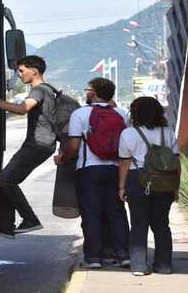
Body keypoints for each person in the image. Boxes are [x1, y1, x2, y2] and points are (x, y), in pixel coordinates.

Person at [54, 77, 130, 268]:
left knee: (91, 214)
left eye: (88, 89)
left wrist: (62, 158)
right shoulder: (121, 113)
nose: (87, 92)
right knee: (116, 213)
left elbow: (73, 145)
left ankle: (94, 258)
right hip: (116, 169)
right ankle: (121, 254)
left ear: (93, 93)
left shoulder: (80, 114)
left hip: (89, 170)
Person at [118, 96, 179, 276]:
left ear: (134, 113)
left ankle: (139, 266)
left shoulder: (128, 133)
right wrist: (175, 187)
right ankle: (164, 265)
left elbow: (124, 163)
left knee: (138, 224)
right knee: (162, 224)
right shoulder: (167, 132)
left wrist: (121, 187)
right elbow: (176, 162)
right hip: (165, 181)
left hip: (138, 179)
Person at [0, 55, 56, 236]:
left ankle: (30, 219)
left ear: (34, 71)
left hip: (37, 145)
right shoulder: (48, 90)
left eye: (22, 71)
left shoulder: (39, 90)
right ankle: (6, 226)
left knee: (6, 179)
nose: (19, 74)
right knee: (5, 179)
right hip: (41, 144)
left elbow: (23, 109)